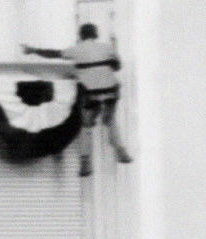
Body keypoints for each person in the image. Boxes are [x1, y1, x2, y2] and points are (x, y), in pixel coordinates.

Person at [23, 24, 131, 175]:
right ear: (96, 34)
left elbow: (54, 54)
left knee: (86, 125)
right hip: (111, 91)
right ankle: (120, 149)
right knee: (110, 120)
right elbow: (117, 67)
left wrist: (32, 50)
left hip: (92, 92)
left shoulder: (76, 50)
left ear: (80, 36)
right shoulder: (107, 48)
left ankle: (85, 162)